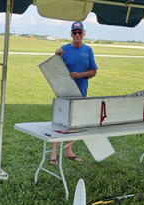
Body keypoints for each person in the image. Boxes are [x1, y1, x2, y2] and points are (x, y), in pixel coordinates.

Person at [50, 21, 98, 165]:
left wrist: (80, 74)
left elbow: (93, 71)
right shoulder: (63, 50)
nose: (77, 35)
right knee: (60, 123)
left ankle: (68, 151)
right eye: (74, 33)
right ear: (71, 34)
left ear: (84, 34)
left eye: (80, 32)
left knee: (74, 124)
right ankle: (53, 154)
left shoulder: (88, 50)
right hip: (64, 92)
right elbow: (54, 69)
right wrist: (56, 55)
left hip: (80, 92)